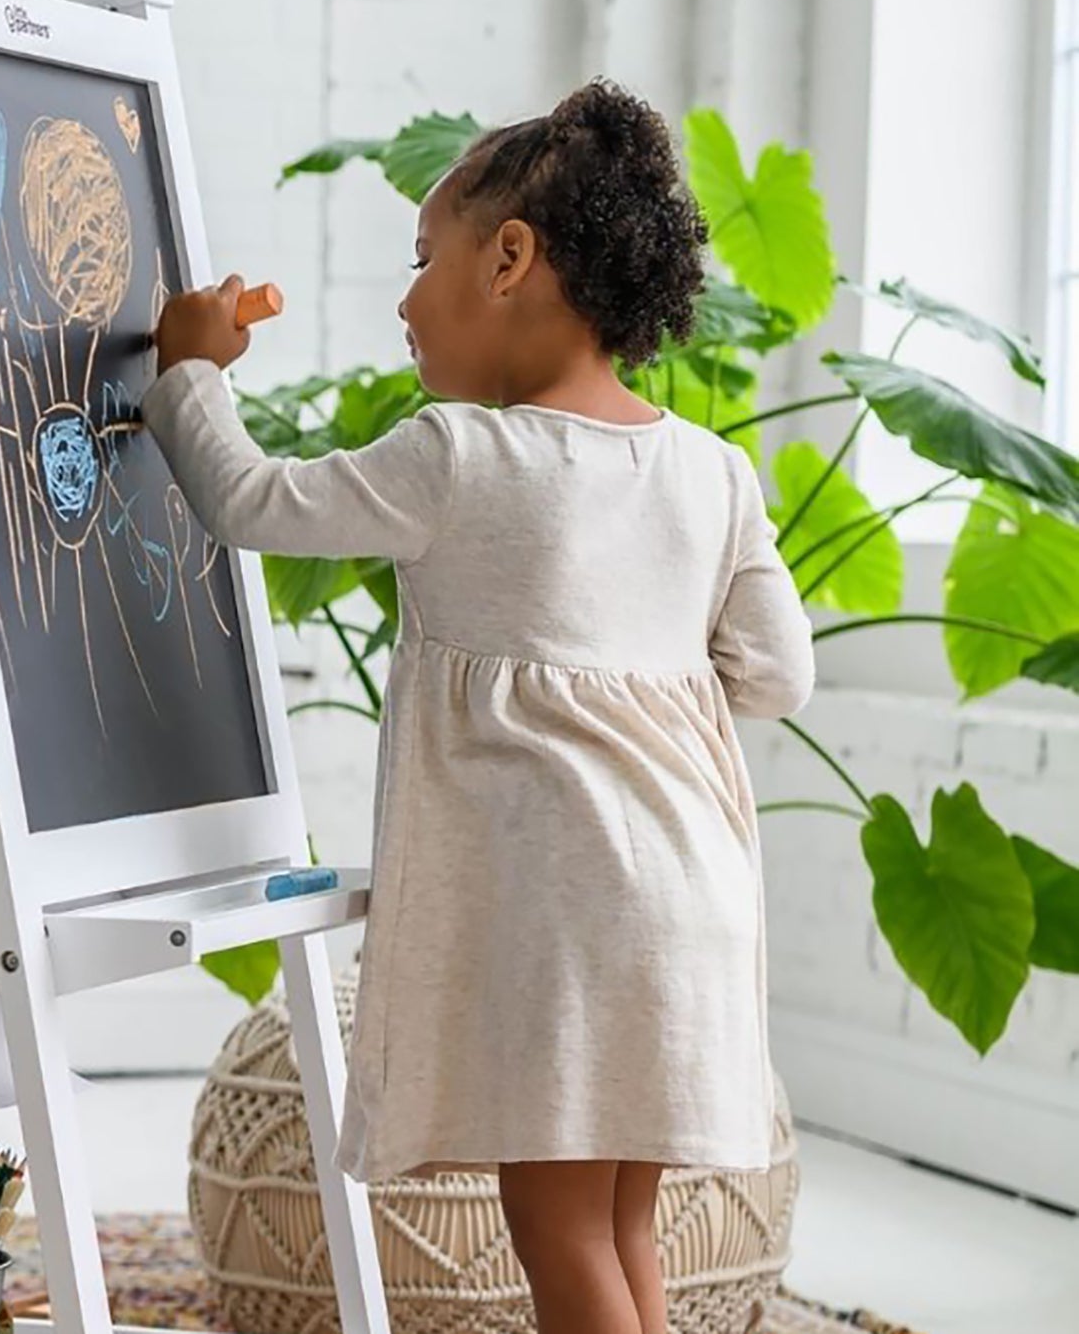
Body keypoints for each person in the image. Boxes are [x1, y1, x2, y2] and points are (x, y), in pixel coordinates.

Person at [144, 77, 815, 1334]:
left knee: (553, 1225)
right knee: (620, 1220)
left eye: (420, 259)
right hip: (689, 900)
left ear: (508, 258)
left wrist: (189, 372)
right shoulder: (711, 473)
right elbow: (776, 671)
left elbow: (252, 502)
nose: (403, 299)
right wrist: (638, 673)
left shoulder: (459, 456)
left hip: (563, 912)